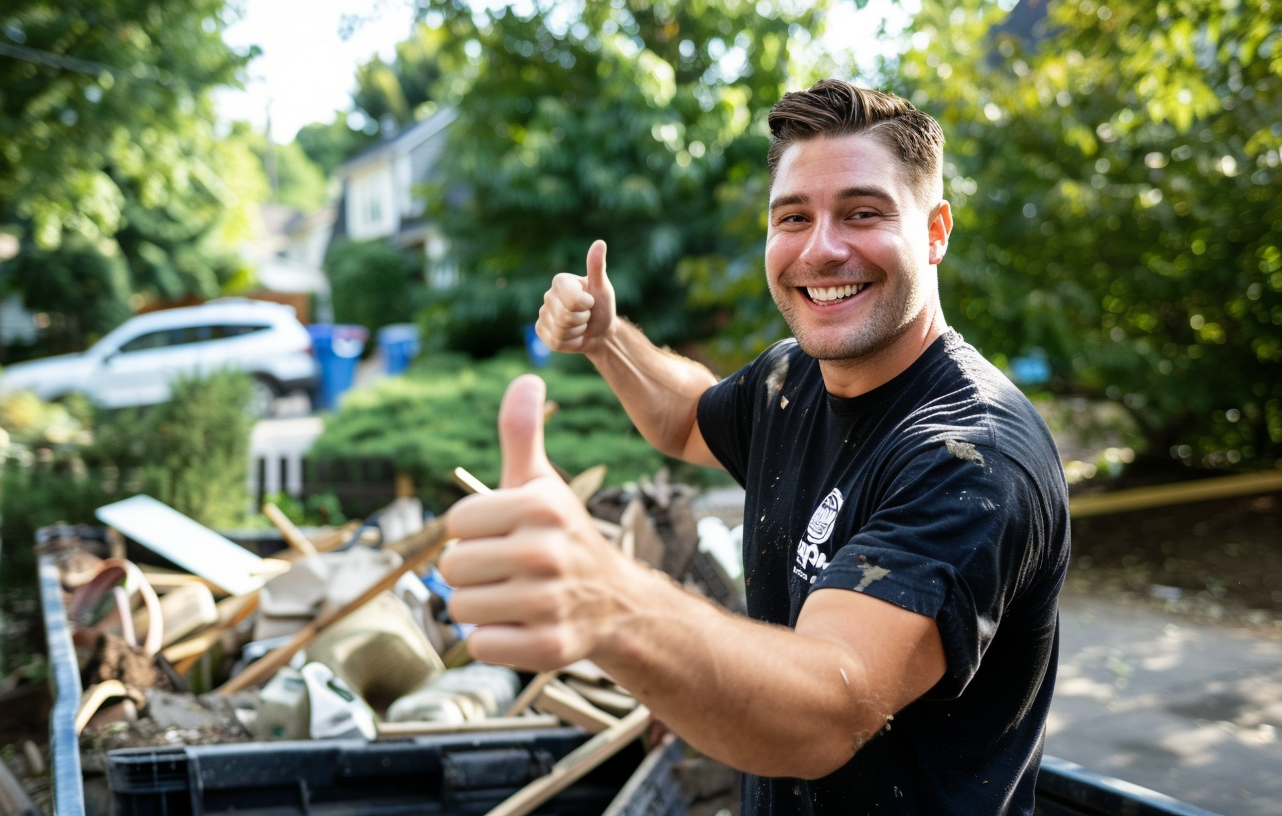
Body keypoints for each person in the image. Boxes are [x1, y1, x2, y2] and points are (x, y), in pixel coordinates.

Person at [439, 79, 1070, 816]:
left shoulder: (972, 458)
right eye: (793, 217)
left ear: (935, 232)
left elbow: (829, 709)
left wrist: (610, 600)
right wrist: (608, 339)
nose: (822, 248)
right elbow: (683, 418)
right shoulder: (792, 379)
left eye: (863, 213)